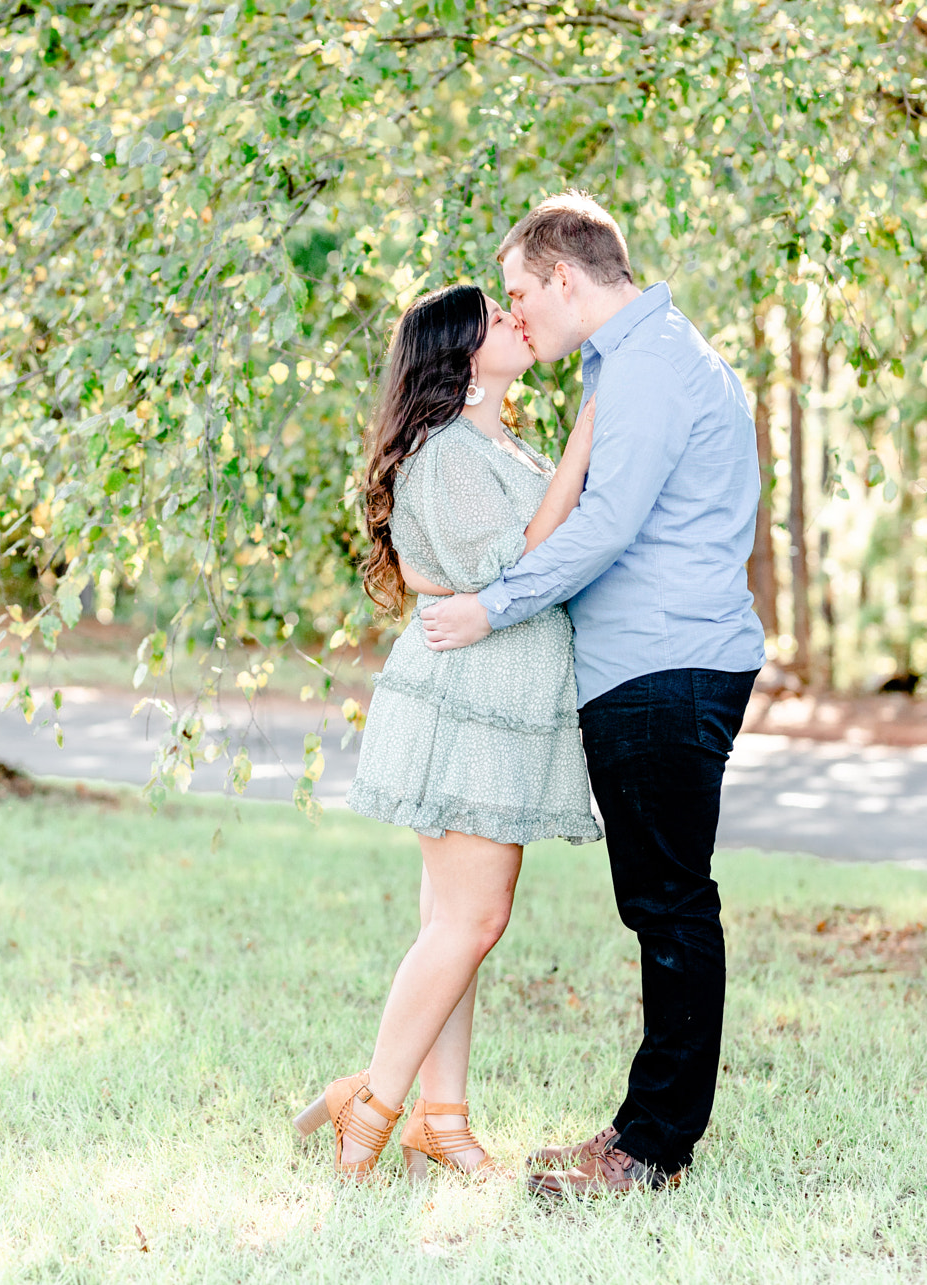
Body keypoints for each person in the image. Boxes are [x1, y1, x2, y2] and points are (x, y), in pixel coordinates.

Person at [420, 193, 766, 1196]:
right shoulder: (629, 364)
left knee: (668, 904)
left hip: (666, 665)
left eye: (523, 294)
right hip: (648, 665)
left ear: (564, 277)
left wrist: (491, 608)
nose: (517, 315)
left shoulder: (651, 368)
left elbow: (607, 526)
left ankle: (649, 1149)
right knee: (658, 901)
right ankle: (639, 1136)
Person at [293, 282, 599, 1182]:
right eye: (494, 318)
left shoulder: (491, 442)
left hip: (496, 701)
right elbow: (515, 564)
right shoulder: (448, 452)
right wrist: (590, 437)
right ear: (461, 359)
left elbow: (486, 563)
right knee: (473, 917)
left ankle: (444, 1119)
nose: (514, 319)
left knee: (455, 921)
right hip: (468, 702)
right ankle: (376, 1103)